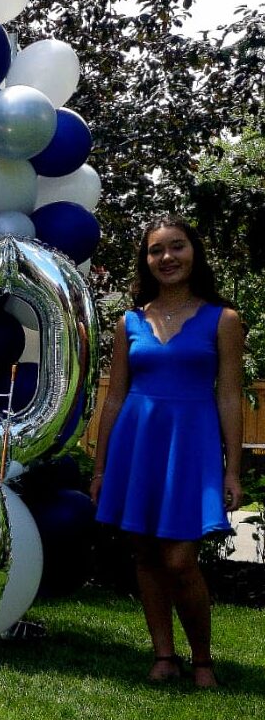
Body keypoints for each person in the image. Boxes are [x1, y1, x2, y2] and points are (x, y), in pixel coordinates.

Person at [91, 215, 243, 688]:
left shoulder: (224, 319)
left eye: (176, 247)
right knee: (145, 554)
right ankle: (163, 655)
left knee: (180, 559)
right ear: (147, 260)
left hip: (191, 444)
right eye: (157, 250)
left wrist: (233, 470)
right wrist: (100, 465)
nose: (167, 258)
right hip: (137, 443)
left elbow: (230, 396)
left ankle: (202, 659)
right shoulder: (129, 321)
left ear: (193, 253)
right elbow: (114, 395)